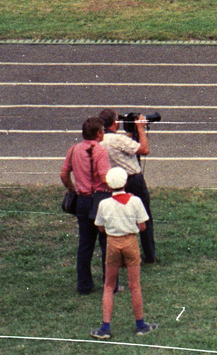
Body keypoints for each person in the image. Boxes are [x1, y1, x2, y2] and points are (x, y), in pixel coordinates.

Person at [91, 167, 156, 339]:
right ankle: (140, 325)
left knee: (108, 285)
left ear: (109, 185)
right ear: (125, 183)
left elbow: (100, 227)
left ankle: (105, 327)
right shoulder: (135, 201)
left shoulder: (104, 204)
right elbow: (143, 226)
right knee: (134, 285)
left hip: (113, 243)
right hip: (130, 242)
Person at [59, 116, 111, 294]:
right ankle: (109, 284)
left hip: (82, 199)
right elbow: (104, 177)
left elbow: (64, 174)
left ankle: (84, 285)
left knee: (85, 244)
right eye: (103, 131)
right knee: (106, 243)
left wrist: (72, 189)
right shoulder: (100, 151)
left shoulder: (73, 150)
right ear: (98, 133)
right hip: (100, 199)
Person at [98, 109, 154, 263]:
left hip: (115, 183)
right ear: (115, 123)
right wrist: (141, 129)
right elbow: (144, 149)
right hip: (133, 180)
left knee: (119, 217)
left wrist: (132, 134)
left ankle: (120, 255)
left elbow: (124, 144)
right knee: (144, 217)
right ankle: (150, 255)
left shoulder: (101, 140)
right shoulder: (119, 140)